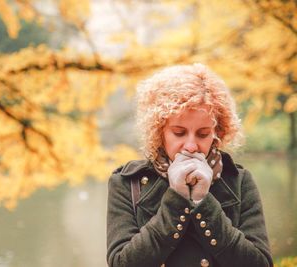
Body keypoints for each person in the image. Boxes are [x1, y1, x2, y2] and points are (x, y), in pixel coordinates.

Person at [106, 63, 273, 267]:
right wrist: (176, 199)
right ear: (159, 131)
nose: (191, 146)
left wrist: (203, 201)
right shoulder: (127, 183)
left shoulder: (239, 181)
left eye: (203, 134)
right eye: (179, 132)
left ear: (217, 133)